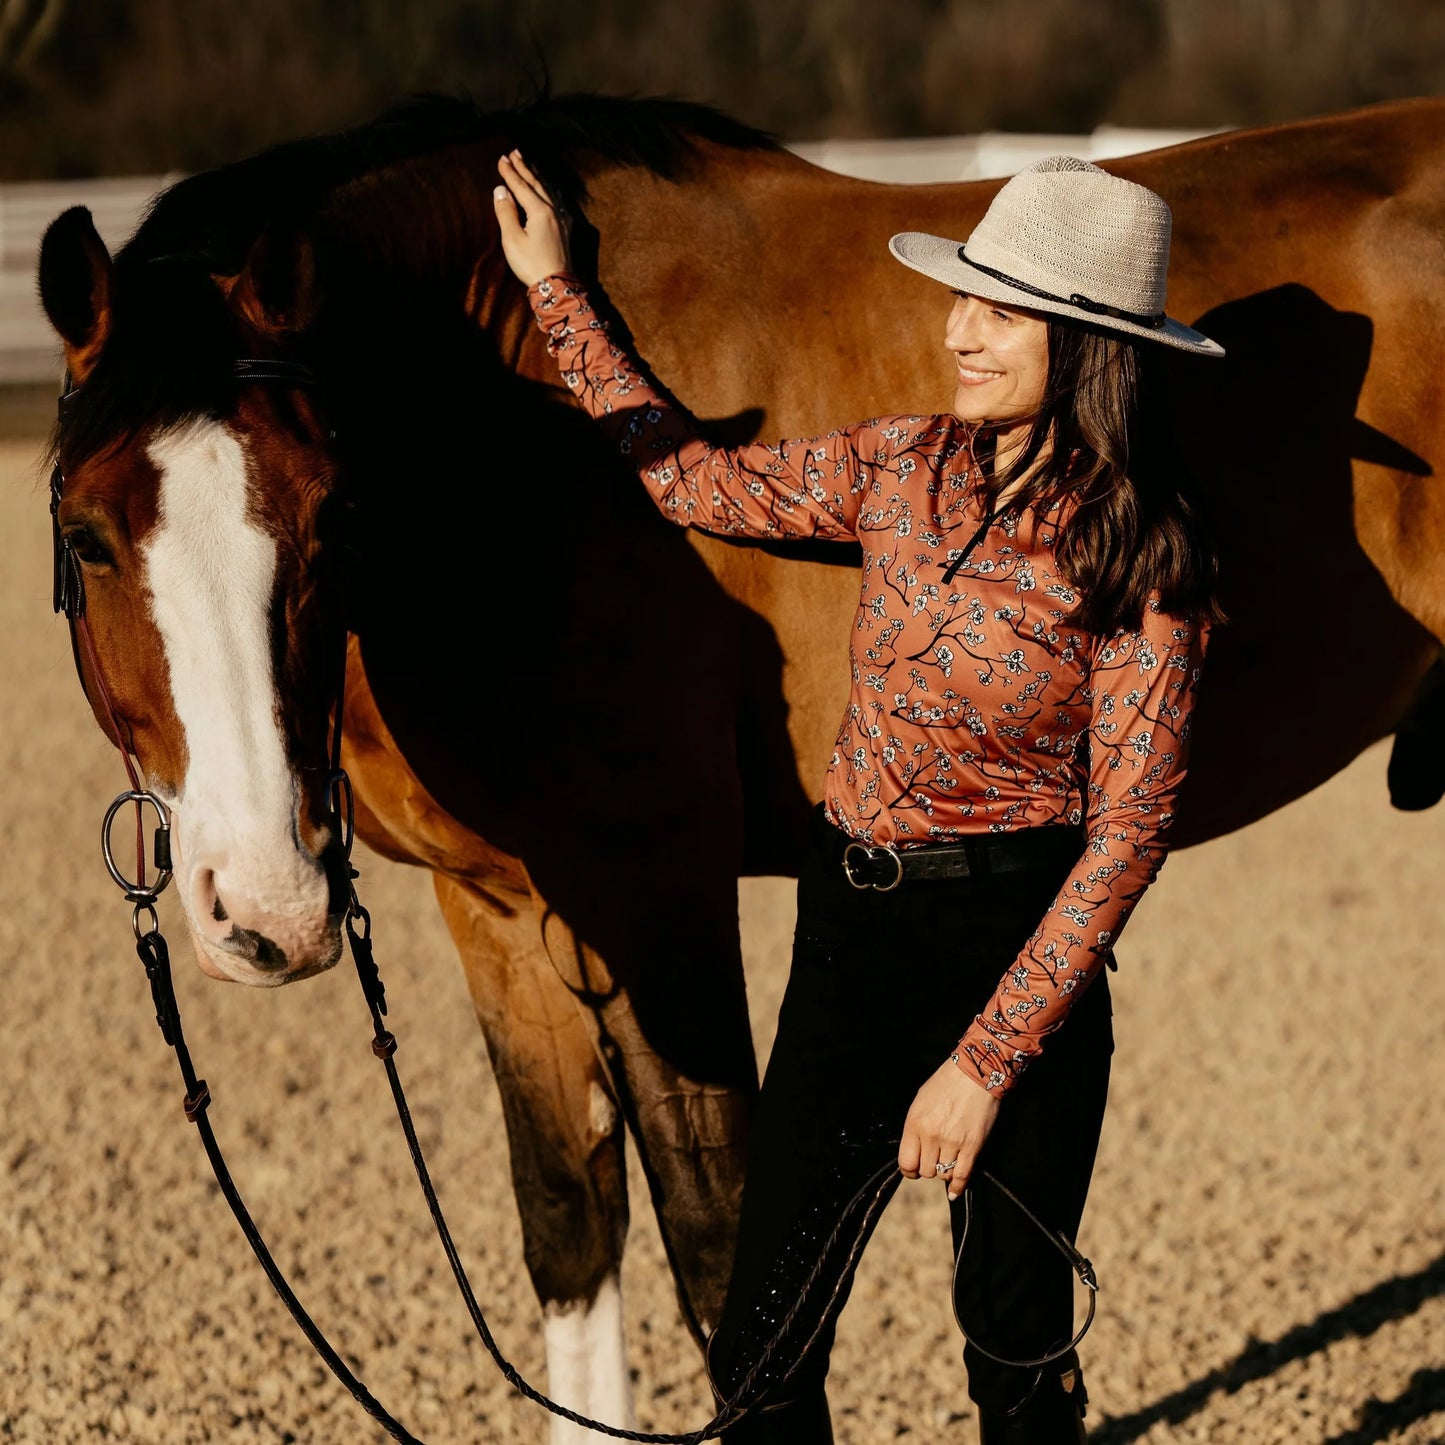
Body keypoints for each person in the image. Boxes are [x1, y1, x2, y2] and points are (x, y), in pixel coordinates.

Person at [492, 148, 1223, 1444]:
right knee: (759, 1343)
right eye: (965, 298)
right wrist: (557, 295)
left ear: (1085, 341)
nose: (959, 329)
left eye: (999, 311)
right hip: (850, 934)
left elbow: (1125, 835)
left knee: (1014, 1349)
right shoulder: (904, 462)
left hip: (1015, 945)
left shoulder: (1145, 556)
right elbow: (690, 480)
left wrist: (982, 1067)